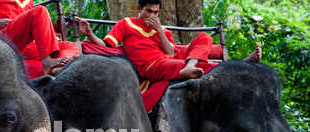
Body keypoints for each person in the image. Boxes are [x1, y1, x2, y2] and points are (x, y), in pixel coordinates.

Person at [75, 0, 261, 81]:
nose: (152, 15)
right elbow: (107, 45)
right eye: (148, 11)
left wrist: (159, 30)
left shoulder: (162, 29)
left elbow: (170, 51)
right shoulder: (126, 24)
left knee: (204, 37)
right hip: (152, 66)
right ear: (139, 8)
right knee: (180, 65)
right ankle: (239, 66)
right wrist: (90, 34)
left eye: (156, 12)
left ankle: (191, 66)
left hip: (172, 57)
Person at [0, 0, 79, 75]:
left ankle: (57, 69)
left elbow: (32, 24)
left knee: (69, 45)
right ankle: (47, 62)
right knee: (39, 11)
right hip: (3, 39)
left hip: (25, 45)